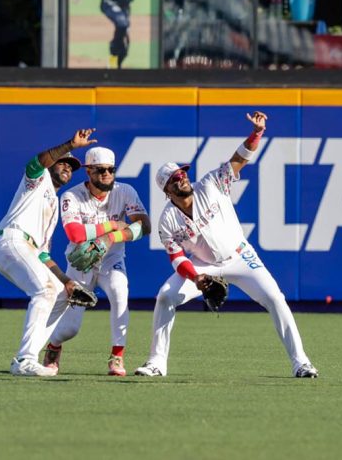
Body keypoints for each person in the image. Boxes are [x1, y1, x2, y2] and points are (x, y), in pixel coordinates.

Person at [134, 111, 319, 379]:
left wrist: (256, 133)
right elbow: (176, 259)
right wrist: (197, 278)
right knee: (165, 296)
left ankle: (301, 363)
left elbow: (239, 159)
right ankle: (156, 362)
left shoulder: (210, 184)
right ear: (167, 190)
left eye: (182, 173)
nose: (182, 178)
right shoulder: (167, 220)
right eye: (175, 178)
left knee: (275, 298)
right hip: (203, 266)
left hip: (240, 256)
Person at [0, 129, 97, 377]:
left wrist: (67, 281)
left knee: (59, 294)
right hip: (11, 239)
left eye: (72, 166)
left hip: (25, 247)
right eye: (63, 163)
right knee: (44, 290)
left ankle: (28, 358)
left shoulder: (54, 208)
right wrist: (70, 144)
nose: (68, 168)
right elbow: (35, 162)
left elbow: (43, 255)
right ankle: (25, 359)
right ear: (51, 165)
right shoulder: (37, 181)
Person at [43, 146, 151, 376]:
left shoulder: (125, 191)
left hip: (112, 259)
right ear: (88, 171)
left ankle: (117, 356)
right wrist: (112, 225)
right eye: (100, 170)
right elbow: (74, 234)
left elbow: (144, 225)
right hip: (81, 262)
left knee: (120, 292)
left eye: (110, 169)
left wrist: (112, 238)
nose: (106, 174)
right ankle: (53, 346)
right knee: (70, 328)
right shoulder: (72, 195)